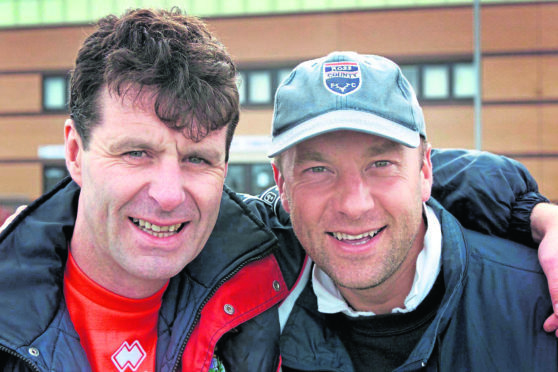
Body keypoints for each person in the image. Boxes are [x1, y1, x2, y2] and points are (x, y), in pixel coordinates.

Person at [0, 9, 555, 371]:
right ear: (74, 152)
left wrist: (532, 213)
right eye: (136, 153)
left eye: (197, 159)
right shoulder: (259, 268)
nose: (168, 195)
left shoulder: (257, 270)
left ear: (425, 169)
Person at [269, 51, 558, 371]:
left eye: (381, 164)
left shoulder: (540, 300)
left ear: (424, 171)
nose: (353, 205)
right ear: (281, 184)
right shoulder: (249, 313)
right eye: (318, 169)